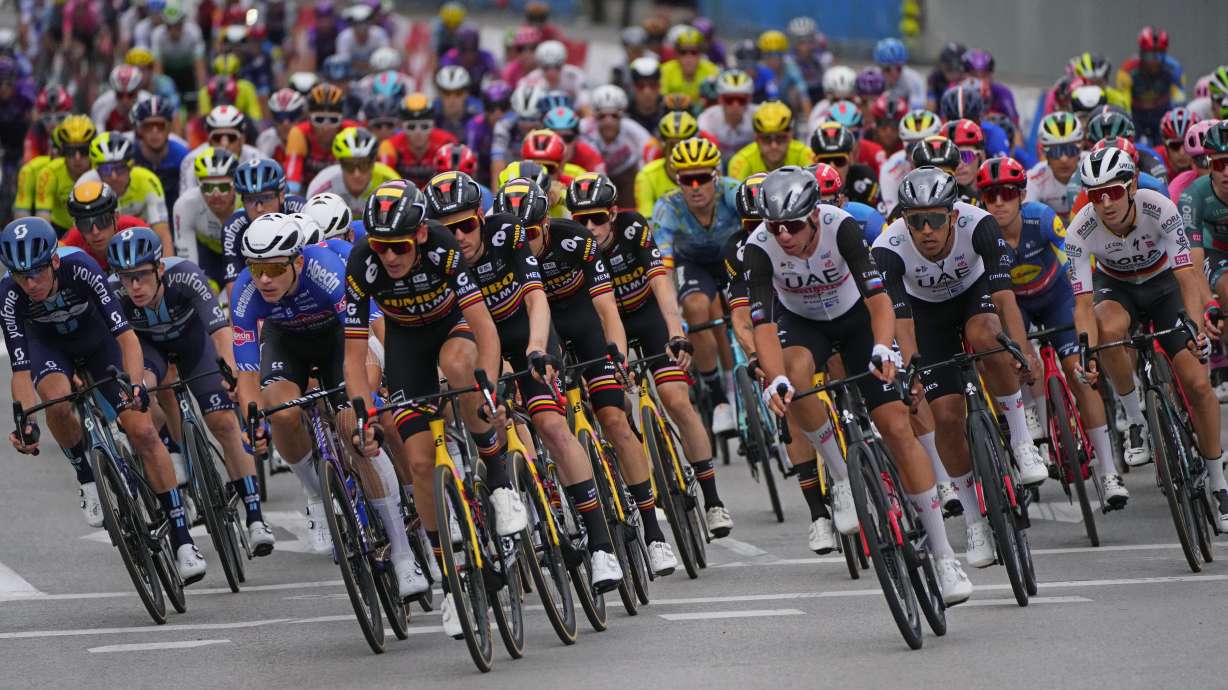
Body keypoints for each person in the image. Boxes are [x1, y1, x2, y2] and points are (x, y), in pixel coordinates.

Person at [746, 167, 972, 603]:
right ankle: (840, 474)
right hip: (803, 323)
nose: (784, 236)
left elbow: (878, 299)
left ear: (814, 216)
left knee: (896, 426)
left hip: (857, 320)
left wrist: (885, 349)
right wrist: (774, 378)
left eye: (793, 225)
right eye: (775, 227)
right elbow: (763, 325)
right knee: (792, 381)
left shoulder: (841, 228)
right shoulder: (759, 248)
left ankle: (944, 557)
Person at [342, 181, 521, 636]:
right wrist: (363, 415)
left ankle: (498, 478)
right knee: (420, 462)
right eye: (381, 247)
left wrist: (491, 390)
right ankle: (450, 583)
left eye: (399, 246)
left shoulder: (443, 248)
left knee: (460, 364)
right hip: (405, 345)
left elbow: (484, 327)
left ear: (420, 234)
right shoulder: (362, 262)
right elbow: (354, 354)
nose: (390, 258)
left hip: (452, 326)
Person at [1, 217, 207, 583]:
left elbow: (127, 338)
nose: (29, 283)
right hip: (50, 349)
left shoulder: (83, 269)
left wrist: (135, 388)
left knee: (142, 430)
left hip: (101, 343)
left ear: (54, 262)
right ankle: (87, 478)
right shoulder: (10, 295)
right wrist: (25, 423)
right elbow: (20, 371)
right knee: (55, 399)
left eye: (36, 272)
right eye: (20, 275)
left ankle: (182, 538)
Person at [1070, 147, 1226, 529]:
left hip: (1163, 286)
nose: (1105, 203)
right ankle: (1135, 416)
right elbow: (1083, 304)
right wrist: (1086, 353)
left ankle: (1219, 483)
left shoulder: (1160, 209)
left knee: (1199, 385)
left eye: (1114, 192)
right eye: (1095, 195)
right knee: (1105, 330)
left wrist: (1193, 325)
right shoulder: (1080, 229)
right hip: (1116, 288)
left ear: (1133, 186)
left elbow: (1187, 277)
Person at [105, 226, 275, 553]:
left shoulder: (187, 276)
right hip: (150, 353)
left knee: (223, 422)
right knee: (144, 397)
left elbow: (220, 332)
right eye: (126, 278)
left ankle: (255, 516)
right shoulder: (115, 293)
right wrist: (137, 390)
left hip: (194, 346)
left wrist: (230, 371)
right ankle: (176, 461)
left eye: (141, 275)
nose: (134, 286)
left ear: (160, 269)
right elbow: (124, 352)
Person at [976, 156, 1130, 502]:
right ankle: (1030, 421)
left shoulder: (1042, 218)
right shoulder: (982, 234)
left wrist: (1082, 312)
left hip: (1056, 298)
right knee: (1015, 361)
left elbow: (1074, 265)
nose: (999, 202)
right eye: (989, 196)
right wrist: (1020, 347)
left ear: (1021, 195)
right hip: (1016, 306)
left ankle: (1108, 473)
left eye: (1006, 193)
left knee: (1079, 376)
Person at [651, 137, 741, 437]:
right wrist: (670, 308)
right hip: (694, 266)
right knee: (697, 308)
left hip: (732, 257)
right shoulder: (668, 206)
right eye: (687, 180)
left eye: (703, 178)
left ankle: (741, 382)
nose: (695, 187)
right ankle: (718, 400)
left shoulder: (733, 192)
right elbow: (662, 267)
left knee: (744, 308)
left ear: (716, 176)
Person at [76, 132, 172, 254]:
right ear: (97, 170)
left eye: (120, 167)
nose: (113, 176)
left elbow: (162, 233)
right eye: (106, 169)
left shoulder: (148, 181)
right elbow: (81, 235)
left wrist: (166, 269)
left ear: (131, 166)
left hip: (141, 242)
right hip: (98, 247)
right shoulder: (84, 185)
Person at [221, 159, 307, 288]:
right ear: (242, 201)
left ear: (282, 195)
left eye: (266, 198)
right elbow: (234, 287)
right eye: (250, 199)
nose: (259, 209)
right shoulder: (233, 227)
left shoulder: (299, 209)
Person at [581, 85, 653, 209]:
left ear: (622, 115)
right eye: (602, 116)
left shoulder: (633, 130)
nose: (608, 121)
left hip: (626, 174)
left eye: (614, 116)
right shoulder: (584, 129)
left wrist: (644, 175)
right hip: (594, 174)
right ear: (595, 116)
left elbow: (650, 148)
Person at [173, 147, 238, 281]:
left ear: (235, 186)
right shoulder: (185, 205)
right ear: (198, 185)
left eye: (223, 187)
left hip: (242, 254)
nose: (216, 195)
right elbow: (188, 268)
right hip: (208, 255)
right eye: (208, 187)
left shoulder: (248, 202)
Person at [284, 83, 359, 194]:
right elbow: (292, 182)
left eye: (333, 120)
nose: (326, 127)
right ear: (309, 119)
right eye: (319, 119)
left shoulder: (352, 131)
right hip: (306, 193)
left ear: (342, 119)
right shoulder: (299, 133)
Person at [306, 127, 399, 216]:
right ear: (340, 164)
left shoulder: (391, 183)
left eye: (364, 165)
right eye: (349, 165)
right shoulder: (322, 186)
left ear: (373, 163)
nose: (356, 174)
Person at [1116, 26, 1185, 143]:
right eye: (1149, 56)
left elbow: (1179, 99)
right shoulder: (1127, 71)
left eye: (1159, 56)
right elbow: (1124, 103)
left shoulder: (1175, 69)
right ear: (1141, 53)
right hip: (1137, 114)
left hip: (1162, 112)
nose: (1154, 61)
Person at [60, 182, 147, 270]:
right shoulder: (73, 239)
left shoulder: (135, 228)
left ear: (116, 218)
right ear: (77, 227)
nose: (95, 232)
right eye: (85, 224)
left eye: (103, 220)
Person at [130, 96, 190, 224]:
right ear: (140, 129)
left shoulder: (183, 154)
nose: (154, 131)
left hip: (176, 217)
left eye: (160, 125)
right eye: (148, 126)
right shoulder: (130, 155)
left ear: (169, 127)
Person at [378, 93, 457, 189]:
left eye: (424, 126)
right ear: (402, 126)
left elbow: (455, 178)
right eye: (411, 127)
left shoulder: (447, 142)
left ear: (433, 125)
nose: (418, 133)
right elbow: (384, 178)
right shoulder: (389, 146)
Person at [179, 105, 263, 195]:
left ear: (242, 139)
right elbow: (187, 201)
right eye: (217, 137)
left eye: (231, 137)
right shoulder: (192, 161)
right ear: (209, 140)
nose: (224, 144)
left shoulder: (257, 159)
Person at [34, 116, 97, 235]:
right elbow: (43, 216)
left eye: (84, 150)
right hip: (59, 230)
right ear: (62, 150)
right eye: (71, 151)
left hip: (94, 228)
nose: (77, 158)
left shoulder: (101, 170)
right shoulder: (49, 172)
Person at [878, 108, 942, 215]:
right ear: (904, 146)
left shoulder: (950, 162)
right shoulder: (890, 168)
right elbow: (891, 214)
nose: (920, 153)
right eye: (913, 146)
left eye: (926, 145)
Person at [727, 101, 813, 180]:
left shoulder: (805, 154)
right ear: (756, 138)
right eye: (766, 139)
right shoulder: (740, 161)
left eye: (780, 138)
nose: (774, 145)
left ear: (790, 136)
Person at [1026, 111, 1085, 221]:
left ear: (1080, 149)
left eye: (1070, 150)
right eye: (1055, 151)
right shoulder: (1034, 178)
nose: (1063, 159)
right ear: (1044, 153)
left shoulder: (1092, 165)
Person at [810, 122, 879, 211]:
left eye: (839, 160)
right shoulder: (806, 185)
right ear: (815, 161)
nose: (832, 167)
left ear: (850, 158)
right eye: (825, 161)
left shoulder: (865, 178)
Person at [698, 70, 756, 162]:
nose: (735, 105)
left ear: (749, 100)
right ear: (720, 99)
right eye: (729, 99)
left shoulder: (758, 116)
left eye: (741, 100)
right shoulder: (708, 118)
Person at [520, 40, 589, 110]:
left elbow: (585, 104)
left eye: (557, 66)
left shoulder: (575, 75)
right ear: (539, 65)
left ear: (563, 63)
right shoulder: (530, 79)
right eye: (546, 67)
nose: (551, 72)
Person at [660, 27, 720, 103]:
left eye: (694, 52)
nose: (689, 57)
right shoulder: (665, 71)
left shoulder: (712, 70)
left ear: (700, 54)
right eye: (683, 52)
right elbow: (661, 99)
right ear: (677, 54)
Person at [541, 106, 605, 173]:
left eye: (567, 138)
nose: (562, 145)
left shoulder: (589, 156)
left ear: (577, 139)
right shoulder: (536, 156)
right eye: (555, 139)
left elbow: (603, 181)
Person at [433, 65, 483, 142]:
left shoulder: (478, 112)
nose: (452, 99)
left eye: (458, 93)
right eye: (447, 93)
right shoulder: (431, 113)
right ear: (439, 94)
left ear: (466, 94)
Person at [874, 38, 925, 109]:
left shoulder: (914, 80)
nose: (894, 74)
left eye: (898, 68)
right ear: (879, 66)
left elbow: (917, 111)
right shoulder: (872, 79)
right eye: (887, 69)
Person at [259, 89, 308, 162]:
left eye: (292, 116)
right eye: (280, 117)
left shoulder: (309, 138)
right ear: (273, 117)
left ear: (301, 117)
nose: (286, 123)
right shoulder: (266, 138)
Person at [1158, 107, 1200, 179]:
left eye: (1188, 144)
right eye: (1175, 145)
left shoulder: (1207, 163)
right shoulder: (1156, 158)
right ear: (1165, 146)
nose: (1182, 153)